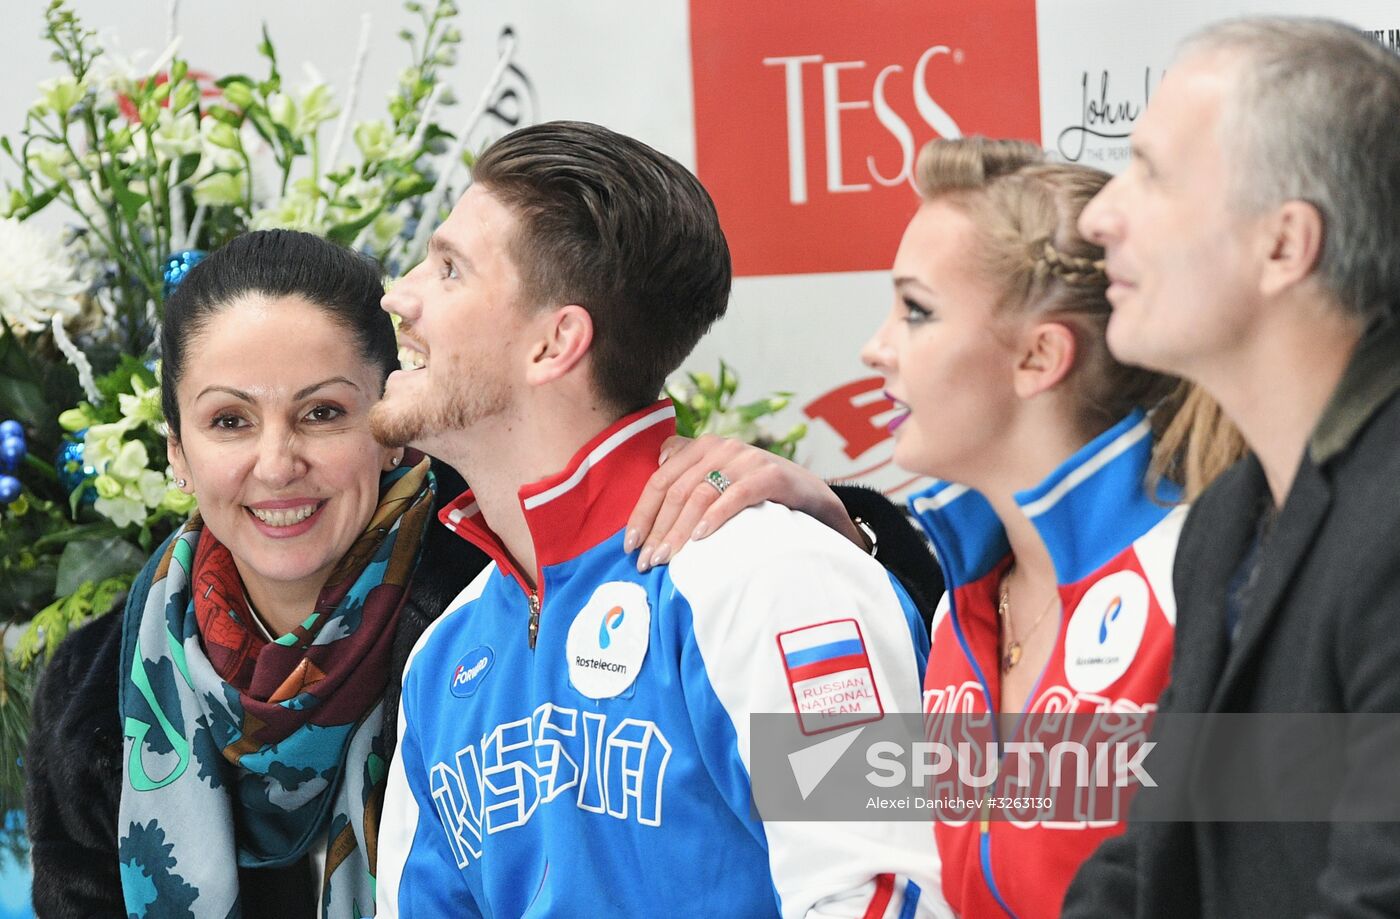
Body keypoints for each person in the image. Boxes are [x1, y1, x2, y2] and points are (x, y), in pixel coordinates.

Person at [626, 136, 1243, 919]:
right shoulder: (961, 607)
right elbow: (873, 856)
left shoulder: (1201, 578)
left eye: (915, 310)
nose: (874, 348)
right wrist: (840, 545)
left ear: (1039, 356)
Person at [370, 120, 950, 918]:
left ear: (555, 343)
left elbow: (886, 893)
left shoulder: (775, 577)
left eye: (448, 270)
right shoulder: (445, 654)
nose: (399, 294)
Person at [24, 230, 492, 918]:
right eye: (230, 420)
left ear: (392, 427)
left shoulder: (496, 619)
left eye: (322, 412)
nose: (276, 464)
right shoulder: (89, 693)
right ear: (179, 453)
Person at [1063, 17, 1400, 918]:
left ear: (1285, 244)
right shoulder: (1226, 520)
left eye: (1153, 174)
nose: (1099, 215)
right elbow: (1152, 859)